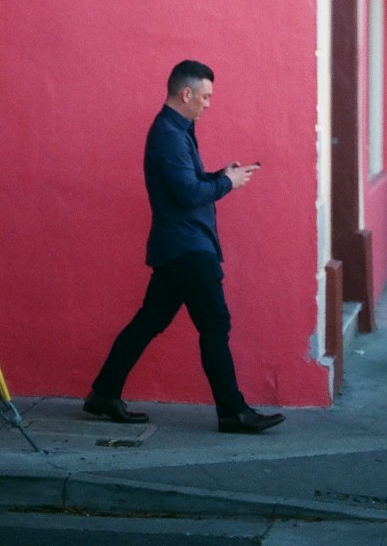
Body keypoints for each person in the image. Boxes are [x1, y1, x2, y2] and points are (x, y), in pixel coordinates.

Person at [83, 60, 284, 435]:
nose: (209, 104)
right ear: (186, 93)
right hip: (187, 247)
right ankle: (232, 412)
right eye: (205, 96)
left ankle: (104, 393)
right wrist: (228, 184)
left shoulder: (178, 131)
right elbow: (187, 193)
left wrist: (219, 176)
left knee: (149, 322)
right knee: (214, 324)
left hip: (179, 245)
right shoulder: (169, 135)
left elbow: (189, 182)